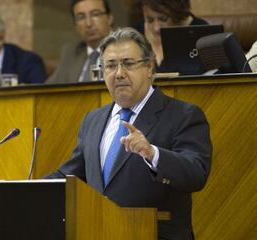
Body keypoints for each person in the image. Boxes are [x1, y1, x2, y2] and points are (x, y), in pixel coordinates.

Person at [46, 27, 212, 240]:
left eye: (128, 63)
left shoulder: (183, 115)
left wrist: (152, 153)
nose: (119, 73)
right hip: (98, 232)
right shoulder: (93, 120)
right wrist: (25, 190)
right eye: (111, 66)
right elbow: (72, 175)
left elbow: (196, 174)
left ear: (150, 67)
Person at [46, 0, 113, 84]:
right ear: (75, 25)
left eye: (95, 14)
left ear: (109, 18)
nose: (88, 24)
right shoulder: (71, 51)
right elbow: (49, 89)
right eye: (81, 17)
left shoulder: (125, 49)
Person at [135, 0, 208, 72]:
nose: (156, 28)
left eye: (163, 19)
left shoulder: (201, 31)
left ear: (176, 13)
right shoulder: (136, 33)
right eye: (150, 20)